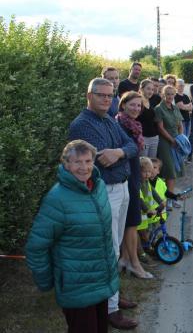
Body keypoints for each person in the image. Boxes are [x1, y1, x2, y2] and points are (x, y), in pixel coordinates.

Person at [25, 140, 119, 333]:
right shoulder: (57, 199)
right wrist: (46, 281)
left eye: (87, 161)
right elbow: (36, 246)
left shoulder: (98, 187)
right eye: (77, 162)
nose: (83, 168)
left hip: (102, 280)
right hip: (77, 287)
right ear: (66, 164)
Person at [68, 78, 138, 330]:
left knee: (116, 246)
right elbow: (99, 161)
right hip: (105, 192)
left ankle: (113, 296)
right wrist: (120, 154)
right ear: (89, 96)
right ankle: (110, 309)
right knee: (109, 251)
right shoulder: (81, 126)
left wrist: (118, 152)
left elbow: (131, 146)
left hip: (122, 188)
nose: (107, 99)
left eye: (110, 96)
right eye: (101, 95)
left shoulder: (109, 119)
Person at [116, 91, 153, 279]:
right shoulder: (119, 124)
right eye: (132, 105)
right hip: (127, 176)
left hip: (134, 174)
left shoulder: (133, 125)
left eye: (139, 105)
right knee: (132, 222)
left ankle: (124, 258)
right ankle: (134, 264)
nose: (136, 108)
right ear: (123, 105)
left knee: (129, 221)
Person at [155, 84, 185, 207]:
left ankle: (170, 200)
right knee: (169, 171)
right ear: (163, 95)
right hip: (165, 142)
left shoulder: (175, 107)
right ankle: (166, 201)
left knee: (174, 171)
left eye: (172, 94)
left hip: (176, 142)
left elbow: (180, 125)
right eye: (168, 94)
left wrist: (180, 139)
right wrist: (172, 140)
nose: (170, 97)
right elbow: (160, 128)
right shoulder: (159, 108)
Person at [138, 79, 160, 158]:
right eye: (148, 89)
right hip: (143, 138)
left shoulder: (151, 101)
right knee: (144, 165)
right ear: (141, 89)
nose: (151, 92)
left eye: (152, 89)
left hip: (154, 137)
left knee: (152, 164)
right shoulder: (137, 102)